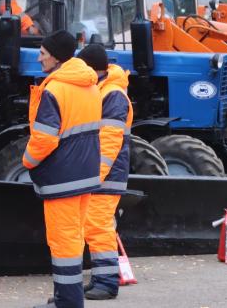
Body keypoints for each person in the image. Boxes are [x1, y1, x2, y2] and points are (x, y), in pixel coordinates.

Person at [23, 30, 103, 308]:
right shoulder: (91, 85)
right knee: (75, 237)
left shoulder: (55, 89)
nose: (39, 58)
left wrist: (28, 161)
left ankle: (67, 302)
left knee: (63, 243)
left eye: (43, 53)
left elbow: (44, 138)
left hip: (62, 177)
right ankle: (67, 298)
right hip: (86, 174)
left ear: (56, 57)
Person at [76, 43, 132, 301]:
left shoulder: (112, 94)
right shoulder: (106, 90)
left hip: (107, 174)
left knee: (98, 225)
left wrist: (95, 174)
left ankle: (107, 282)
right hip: (106, 172)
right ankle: (102, 278)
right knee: (95, 224)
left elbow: (110, 139)